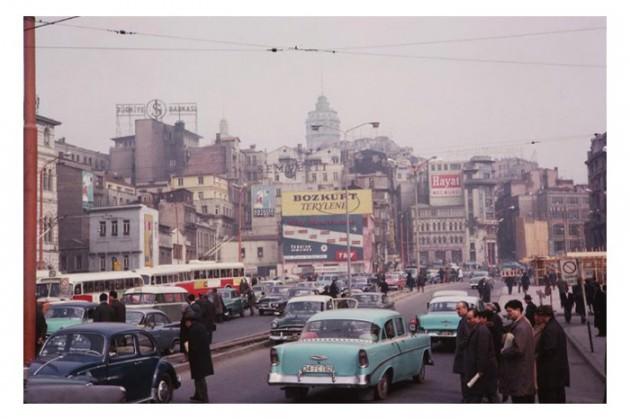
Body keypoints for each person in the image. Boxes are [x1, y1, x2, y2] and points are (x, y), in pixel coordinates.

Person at [500, 299, 536, 403]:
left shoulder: (521, 327)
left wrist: (504, 351)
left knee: (520, 399)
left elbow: (519, 349)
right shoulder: (522, 323)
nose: (508, 314)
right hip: (523, 370)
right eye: (507, 311)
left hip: (520, 371)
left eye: (510, 311)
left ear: (518, 310)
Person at [535, 305, 570, 403]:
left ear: (544, 316)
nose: (536, 318)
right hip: (555, 375)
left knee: (551, 399)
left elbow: (549, 350)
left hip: (551, 376)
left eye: (538, 315)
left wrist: (537, 356)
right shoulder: (553, 326)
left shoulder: (550, 329)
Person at [463, 309, 498, 403]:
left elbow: (482, 352)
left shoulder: (482, 331)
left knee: (488, 394)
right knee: (482, 394)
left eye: (470, 319)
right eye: (467, 319)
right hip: (481, 370)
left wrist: (480, 371)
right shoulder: (476, 329)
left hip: (484, 370)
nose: (468, 321)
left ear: (477, 318)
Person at [182, 310, 213, 403]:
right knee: (198, 377)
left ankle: (204, 397)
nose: (186, 324)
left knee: (199, 378)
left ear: (189, 321)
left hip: (197, 357)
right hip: (204, 356)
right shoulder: (201, 327)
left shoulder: (192, 330)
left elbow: (193, 345)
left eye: (186, 322)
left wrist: (188, 351)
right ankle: (198, 394)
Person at [453, 301, 471, 402]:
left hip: (465, 355)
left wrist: (460, 346)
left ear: (465, 308)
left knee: (465, 379)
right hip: (463, 355)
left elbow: (469, 337)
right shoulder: (463, 320)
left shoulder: (466, 320)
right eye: (456, 309)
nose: (457, 311)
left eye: (459, 309)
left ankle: (467, 399)